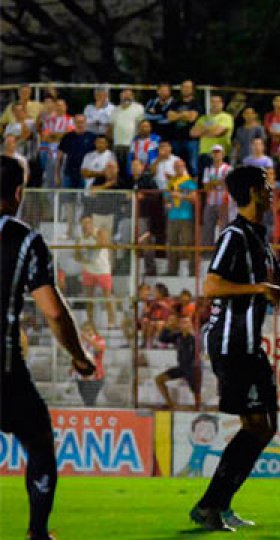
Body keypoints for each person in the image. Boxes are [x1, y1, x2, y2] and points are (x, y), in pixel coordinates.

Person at [192, 166, 280, 531]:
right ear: (252, 192)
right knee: (255, 424)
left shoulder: (258, 236)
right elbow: (211, 286)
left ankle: (218, 504)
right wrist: (255, 290)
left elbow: (278, 280)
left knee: (266, 427)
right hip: (230, 342)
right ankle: (211, 505)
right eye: (267, 187)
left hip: (250, 344)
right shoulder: (233, 236)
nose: (273, 192)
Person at [0, 156, 97, 540]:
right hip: (3, 369)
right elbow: (54, 312)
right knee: (38, 440)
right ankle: (37, 533)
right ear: (20, 192)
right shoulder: (25, 240)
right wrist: (79, 357)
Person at [76, 214, 117, 327]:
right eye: (84, 223)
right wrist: (82, 258)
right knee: (89, 299)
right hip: (88, 270)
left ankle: (111, 321)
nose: (86, 225)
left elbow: (102, 244)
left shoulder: (100, 232)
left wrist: (92, 237)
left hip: (102, 269)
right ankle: (90, 322)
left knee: (107, 296)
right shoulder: (80, 239)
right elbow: (77, 255)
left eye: (88, 222)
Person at [155, 316, 201, 410]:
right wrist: (168, 326)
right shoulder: (178, 336)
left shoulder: (194, 338)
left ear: (190, 325)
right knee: (159, 379)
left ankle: (197, 408)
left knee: (196, 392)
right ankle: (170, 404)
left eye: (187, 323)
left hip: (192, 369)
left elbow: (196, 355)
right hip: (181, 368)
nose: (184, 325)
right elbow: (162, 339)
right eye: (182, 323)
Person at [165, 159, 199, 276]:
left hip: (186, 217)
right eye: (176, 166)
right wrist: (167, 203)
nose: (178, 168)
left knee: (188, 244)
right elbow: (166, 197)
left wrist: (180, 195)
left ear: (184, 167)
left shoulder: (189, 182)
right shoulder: (171, 182)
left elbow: (194, 199)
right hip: (172, 216)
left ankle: (193, 272)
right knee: (172, 244)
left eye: (180, 166)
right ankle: (172, 271)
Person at [200, 145, 233, 249]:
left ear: (223, 154)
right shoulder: (208, 169)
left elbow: (229, 185)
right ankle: (207, 252)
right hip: (210, 202)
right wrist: (220, 182)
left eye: (218, 152)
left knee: (224, 227)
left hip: (224, 201)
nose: (216, 154)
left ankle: (224, 251)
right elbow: (206, 186)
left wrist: (213, 183)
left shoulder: (228, 168)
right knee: (208, 228)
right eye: (214, 152)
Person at [168, 80, 204, 175]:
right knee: (175, 166)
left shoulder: (197, 104)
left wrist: (178, 115)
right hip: (175, 139)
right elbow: (170, 117)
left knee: (193, 167)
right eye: (183, 87)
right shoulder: (175, 103)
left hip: (191, 140)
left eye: (188, 87)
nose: (185, 89)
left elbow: (192, 118)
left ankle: (193, 189)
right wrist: (185, 115)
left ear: (192, 90)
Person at [107, 88, 143, 180]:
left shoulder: (138, 108)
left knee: (130, 171)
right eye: (124, 95)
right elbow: (111, 128)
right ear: (120, 96)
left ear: (133, 97)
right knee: (118, 171)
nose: (127, 97)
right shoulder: (115, 110)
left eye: (129, 95)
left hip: (131, 145)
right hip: (117, 145)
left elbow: (141, 126)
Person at [191, 94, 233, 173]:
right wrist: (212, 130)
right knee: (204, 181)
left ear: (222, 104)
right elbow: (193, 133)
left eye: (217, 102)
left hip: (220, 154)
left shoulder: (226, 117)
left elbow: (217, 132)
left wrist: (202, 131)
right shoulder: (203, 118)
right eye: (212, 102)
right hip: (204, 154)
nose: (215, 104)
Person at [77, 321, 107, 406]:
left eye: (89, 330)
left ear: (94, 330)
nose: (88, 333)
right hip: (81, 377)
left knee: (91, 402)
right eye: (85, 330)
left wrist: (87, 339)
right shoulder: (80, 342)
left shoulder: (100, 340)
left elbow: (98, 349)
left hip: (96, 376)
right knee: (86, 402)